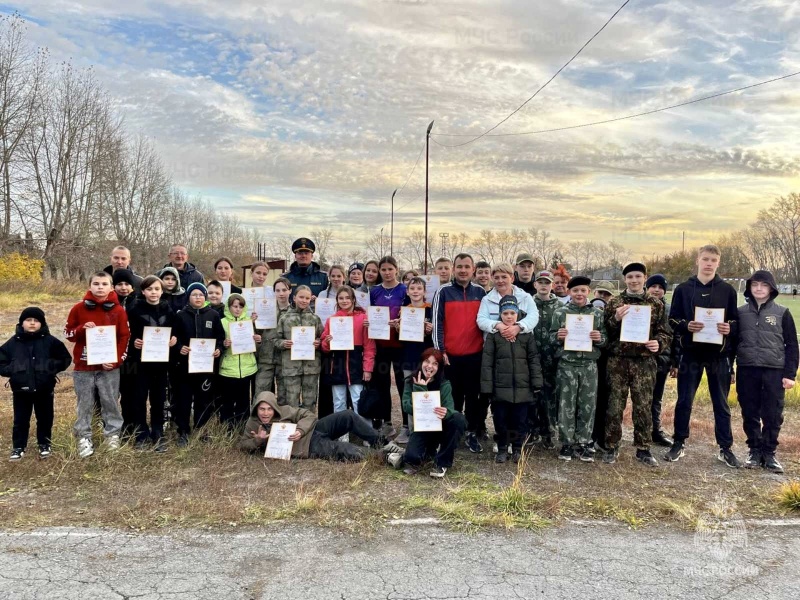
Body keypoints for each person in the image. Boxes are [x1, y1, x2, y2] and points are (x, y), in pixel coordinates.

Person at [666, 244, 741, 467]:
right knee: (684, 401)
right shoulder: (683, 289)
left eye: (713, 260)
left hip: (718, 356)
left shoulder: (728, 290)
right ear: (697, 260)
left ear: (718, 263)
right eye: (705, 259)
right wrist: (686, 325)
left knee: (721, 403)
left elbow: (736, 321)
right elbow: (672, 320)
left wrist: (730, 328)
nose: (709, 263)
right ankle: (679, 442)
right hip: (691, 355)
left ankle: (725, 448)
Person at [603, 263, 672, 467]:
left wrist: (658, 343)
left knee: (643, 406)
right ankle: (611, 445)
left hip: (644, 362)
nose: (634, 280)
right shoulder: (615, 302)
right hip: (618, 361)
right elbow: (605, 331)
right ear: (625, 279)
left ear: (644, 278)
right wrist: (616, 318)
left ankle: (644, 448)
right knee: (615, 405)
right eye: (630, 277)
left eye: (638, 276)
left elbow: (665, 332)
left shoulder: (655, 304)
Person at [734, 270, 798, 473]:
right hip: (747, 369)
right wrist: (730, 369)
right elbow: (732, 343)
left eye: (763, 285)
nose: (759, 289)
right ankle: (754, 450)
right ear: (749, 288)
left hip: (774, 370)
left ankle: (769, 453)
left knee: (773, 413)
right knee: (750, 411)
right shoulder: (740, 313)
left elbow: (792, 345)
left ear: (771, 288)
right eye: (755, 285)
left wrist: (790, 374)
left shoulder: (782, 312)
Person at [65, 272, 131, 458]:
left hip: (109, 367)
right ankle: (83, 437)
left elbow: (124, 336)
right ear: (89, 286)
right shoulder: (78, 308)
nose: (100, 287)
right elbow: (67, 333)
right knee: (84, 402)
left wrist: (117, 360)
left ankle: (112, 434)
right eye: (96, 283)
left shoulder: (118, 311)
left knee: (110, 401)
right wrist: (80, 330)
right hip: (84, 367)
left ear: (111, 288)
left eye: (104, 284)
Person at [432, 253, 486, 451]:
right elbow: (437, 322)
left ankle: (472, 432)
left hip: (475, 355)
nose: (463, 270)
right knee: (452, 397)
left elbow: (485, 323)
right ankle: (452, 433)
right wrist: (440, 351)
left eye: (467, 266)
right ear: (454, 269)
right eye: (459, 266)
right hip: (450, 356)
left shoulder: (481, 292)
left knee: (473, 397)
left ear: (473, 269)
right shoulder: (443, 292)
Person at [1, 307, 71, 460]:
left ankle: (44, 444)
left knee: (45, 418)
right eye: (28, 320)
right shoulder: (13, 343)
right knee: (20, 419)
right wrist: (12, 369)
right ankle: (18, 447)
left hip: (44, 388)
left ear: (42, 323)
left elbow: (65, 358)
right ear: (22, 323)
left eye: (36, 320)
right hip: (21, 389)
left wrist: (51, 368)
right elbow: (1, 361)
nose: (32, 323)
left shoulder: (50, 341)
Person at [480, 295, 543, 464]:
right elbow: (487, 363)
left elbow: (533, 359)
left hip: (523, 389)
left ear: (517, 314)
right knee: (501, 420)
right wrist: (487, 387)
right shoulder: (493, 336)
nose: (509, 316)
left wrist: (536, 383)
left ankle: (516, 448)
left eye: (512, 313)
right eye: (505, 313)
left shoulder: (526, 335)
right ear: (500, 315)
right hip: (501, 389)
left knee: (519, 421)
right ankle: (502, 448)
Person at [550, 276, 606, 462]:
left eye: (583, 290)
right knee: (566, 404)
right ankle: (567, 443)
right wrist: (559, 335)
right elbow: (550, 339)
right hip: (567, 365)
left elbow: (606, 340)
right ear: (569, 292)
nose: (579, 294)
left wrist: (599, 338)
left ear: (588, 292)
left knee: (587, 405)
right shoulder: (560, 313)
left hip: (589, 365)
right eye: (575, 291)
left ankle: (583, 442)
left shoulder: (597, 313)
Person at [238, 391, 384, 461]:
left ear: (274, 408)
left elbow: (309, 415)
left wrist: (300, 430)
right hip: (307, 447)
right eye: (262, 409)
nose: (265, 413)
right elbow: (243, 445)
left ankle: (383, 443)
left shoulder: (284, 410)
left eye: (269, 409)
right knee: (342, 448)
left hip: (313, 430)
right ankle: (385, 456)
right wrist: (258, 440)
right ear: (256, 408)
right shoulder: (253, 423)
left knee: (347, 415)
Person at [393, 349, 468, 478]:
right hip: (422, 427)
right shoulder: (410, 381)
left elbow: (450, 409)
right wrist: (420, 389)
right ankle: (428, 451)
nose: (429, 366)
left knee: (459, 419)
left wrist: (446, 412)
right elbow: (406, 407)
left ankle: (442, 462)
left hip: (440, 427)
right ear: (421, 362)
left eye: (435, 364)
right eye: (427, 361)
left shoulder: (444, 383)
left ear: (439, 367)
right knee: (412, 458)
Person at [125, 275, 177, 451]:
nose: (153, 292)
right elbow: (127, 335)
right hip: (141, 364)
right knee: (139, 399)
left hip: (161, 364)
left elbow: (174, 333)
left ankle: (157, 432)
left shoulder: (168, 310)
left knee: (158, 399)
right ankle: (141, 434)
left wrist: (173, 341)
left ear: (162, 291)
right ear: (143, 291)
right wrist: (134, 343)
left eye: (156, 289)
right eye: (149, 289)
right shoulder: (134, 310)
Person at [173, 282, 225, 446]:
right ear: (189, 297)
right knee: (184, 400)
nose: (198, 297)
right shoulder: (181, 315)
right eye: (194, 294)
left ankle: (201, 429)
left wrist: (219, 349)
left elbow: (220, 338)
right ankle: (183, 431)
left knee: (203, 400)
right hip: (185, 368)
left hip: (206, 368)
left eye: (201, 295)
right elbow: (175, 338)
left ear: (205, 297)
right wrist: (180, 348)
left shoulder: (213, 315)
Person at [321, 285, 375, 422]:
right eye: (341, 298)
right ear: (337, 300)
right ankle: (341, 434)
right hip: (337, 365)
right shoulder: (331, 320)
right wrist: (327, 342)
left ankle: (365, 433)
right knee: (339, 402)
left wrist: (367, 368)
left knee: (358, 399)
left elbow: (369, 346)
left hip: (356, 363)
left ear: (353, 299)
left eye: (347, 298)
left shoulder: (363, 318)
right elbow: (324, 347)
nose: (344, 301)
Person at [369, 256, 407, 437]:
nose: (386, 273)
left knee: (402, 384)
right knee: (382, 384)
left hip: (400, 345)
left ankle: (407, 425)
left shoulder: (405, 290)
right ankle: (387, 422)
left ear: (396, 269)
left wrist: (401, 322)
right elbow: (369, 313)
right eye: (383, 270)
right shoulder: (374, 292)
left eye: (390, 269)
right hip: (381, 345)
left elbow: (411, 313)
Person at [396, 276, 435, 443]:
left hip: (427, 358)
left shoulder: (431, 310)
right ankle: (413, 432)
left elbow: (436, 336)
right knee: (410, 394)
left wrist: (430, 330)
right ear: (407, 291)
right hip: (409, 358)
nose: (415, 291)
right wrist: (398, 328)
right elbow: (402, 339)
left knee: (427, 393)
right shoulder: (404, 311)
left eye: (419, 289)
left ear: (424, 291)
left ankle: (428, 431)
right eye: (412, 289)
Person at [275, 285, 323, 410]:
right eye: (301, 297)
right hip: (291, 367)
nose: (304, 300)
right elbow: (275, 340)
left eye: (307, 298)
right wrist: (283, 343)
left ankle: (309, 428)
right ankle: (292, 427)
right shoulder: (284, 318)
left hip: (311, 367)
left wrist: (318, 342)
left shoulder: (315, 319)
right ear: (294, 298)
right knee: (291, 401)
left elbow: (322, 338)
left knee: (310, 401)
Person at [219, 293, 260, 429]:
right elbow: (218, 342)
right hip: (229, 369)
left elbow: (257, 341)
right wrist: (224, 343)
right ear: (228, 307)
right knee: (228, 400)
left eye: (241, 306)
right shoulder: (223, 322)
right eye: (234, 306)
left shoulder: (249, 322)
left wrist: (256, 340)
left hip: (247, 368)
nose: (237, 309)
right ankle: (228, 427)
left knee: (243, 400)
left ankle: (243, 427)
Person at [531, 270, 561, 448]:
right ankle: (532, 430)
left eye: (547, 282)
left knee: (550, 396)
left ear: (552, 285)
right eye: (540, 282)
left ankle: (548, 432)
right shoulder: (527, 304)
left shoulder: (560, 307)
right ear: (535, 285)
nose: (543, 285)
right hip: (532, 358)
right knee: (532, 395)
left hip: (552, 358)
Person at [645, 274, 674, 447]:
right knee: (640, 398)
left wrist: (675, 362)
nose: (656, 290)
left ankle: (655, 431)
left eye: (660, 287)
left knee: (656, 398)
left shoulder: (670, 309)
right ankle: (639, 431)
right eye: (653, 286)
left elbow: (674, 336)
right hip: (640, 360)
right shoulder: (639, 306)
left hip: (661, 360)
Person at [255, 277, 292, 400]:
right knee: (261, 393)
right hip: (266, 357)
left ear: (290, 291)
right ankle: (259, 419)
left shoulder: (294, 312)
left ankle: (283, 419)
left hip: (284, 360)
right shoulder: (265, 309)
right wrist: (253, 323)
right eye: (278, 290)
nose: (281, 293)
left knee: (284, 395)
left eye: (284, 290)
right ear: (274, 292)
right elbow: (256, 331)